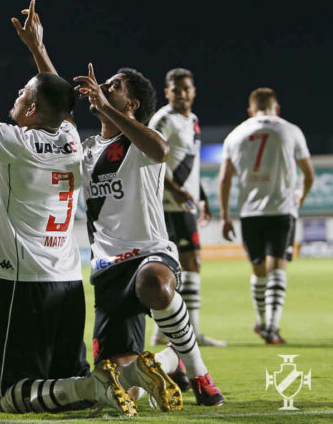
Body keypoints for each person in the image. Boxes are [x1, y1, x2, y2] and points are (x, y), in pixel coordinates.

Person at [0, 0, 135, 416]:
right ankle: (107, 383)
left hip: (25, 281)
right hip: (69, 279)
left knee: (0, 397)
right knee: (57, 383)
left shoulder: (13, 140)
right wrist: (38, 46)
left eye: (22, 94)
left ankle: (95, 383)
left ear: (32, 109)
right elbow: (59, 96)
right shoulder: (70, 135)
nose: (16, 97)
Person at [74, 63, 224, 408]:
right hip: (108, 269)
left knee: (154, 283)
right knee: (121, 388)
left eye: (115, 86)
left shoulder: (138, 141)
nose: (105, 86)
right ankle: (171, 360)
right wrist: (38, 49)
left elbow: (161, 151)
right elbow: (58, 109)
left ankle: (199, 372)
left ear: (133, 104)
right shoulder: (87, 149)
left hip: (150, 253)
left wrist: (107, 107)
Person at [218, 87, 314, 344]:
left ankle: (262, 322)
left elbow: (225, 178)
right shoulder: (290, 130)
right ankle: (271, 326)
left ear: (250, 110)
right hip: (281, 209)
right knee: (277, 267)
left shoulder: (235, 134)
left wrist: (225, 215)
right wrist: (300, 198)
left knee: (259, 270)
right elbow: (309, 173)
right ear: (276, 108)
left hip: (250, 212)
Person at [148, 68, 226, 348]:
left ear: (193, 91)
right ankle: (169, 331)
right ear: (167, 92)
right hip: (166, 205)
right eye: (176, 89)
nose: (182, 93)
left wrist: (200, 196)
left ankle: (182, 331)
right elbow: (151, 157)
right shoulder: (163, 119)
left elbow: (189, 164)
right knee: (166, 268)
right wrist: (175, 190)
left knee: (191, 263)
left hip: (184, 205)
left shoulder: (192, 120)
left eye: (186, 88)